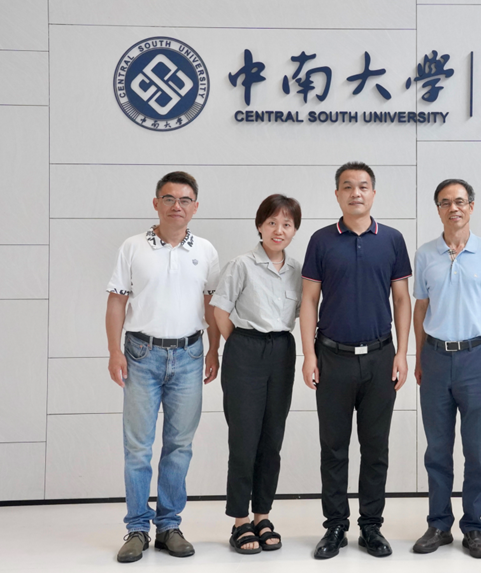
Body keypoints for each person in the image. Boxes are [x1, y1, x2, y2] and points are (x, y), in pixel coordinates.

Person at [106, 171, 220, 563]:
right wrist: (114, 351)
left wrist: (214, 350)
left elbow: (211, 305)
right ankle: (137, 528)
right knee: (138, 447)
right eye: (169, 198)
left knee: (179, 446)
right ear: (156, 203)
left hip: (190, 355)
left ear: (195, 207)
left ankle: (169, 526)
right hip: (141, 354)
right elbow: (117, 301)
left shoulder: (205, 250)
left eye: (185, 200)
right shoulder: (133, 247)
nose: (177, 206)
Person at [300, 162, 412, 559]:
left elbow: (402, 300)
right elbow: (309, 300)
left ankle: (370, 526)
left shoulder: (392, 239)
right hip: (332, 357)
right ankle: (335, 526)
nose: (356, 193)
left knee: (375, 448)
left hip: (380, 357)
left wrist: (402, 353)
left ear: (373, 193)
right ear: (337, 194)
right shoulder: (321, 240)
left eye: (363, 186)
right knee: (333, 448)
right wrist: (308, 355)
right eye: (347, 186)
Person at [412, 179, 481, 559]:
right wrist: (419, 356)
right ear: (438, 209)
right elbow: (421, 307)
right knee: (437, 449)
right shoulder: (425, 254)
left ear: (471, 206)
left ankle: (473, 527)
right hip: (435, 358)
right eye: (445, 202)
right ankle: (438, 524)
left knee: (477, 450)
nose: (453, 208)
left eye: (460, 201)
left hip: (475, 357)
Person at [210, 194, 303, 554]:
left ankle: (262, 516)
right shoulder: (241, 265)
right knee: (244, 439)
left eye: (287, 224)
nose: (279, 230)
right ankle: (240, 521)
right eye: (272, 222)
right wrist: (240, 346)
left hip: (282, 350)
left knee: (271, 439)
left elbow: (303, 312)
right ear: (260, 226)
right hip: (245, 349)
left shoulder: (297, 270)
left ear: (294, 230)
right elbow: (220, 311)